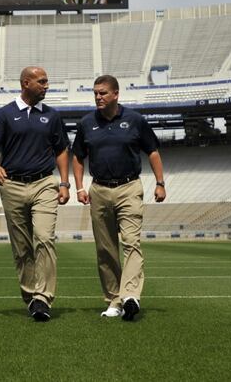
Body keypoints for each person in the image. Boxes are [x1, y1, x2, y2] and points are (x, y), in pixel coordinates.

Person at [72, 75, 166, 321]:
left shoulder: (135, 120)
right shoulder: (86, 123)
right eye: (95, 93)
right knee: (106, 250)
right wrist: (79, 188)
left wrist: (160, 183)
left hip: (129, 187)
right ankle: (114, 300)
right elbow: (77, 156)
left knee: (131, 242)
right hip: (99, 190)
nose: (98, 97)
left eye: (102, 93)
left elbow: (152, 152)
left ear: (115, 94)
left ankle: (131, 295)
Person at [0, 66, 70, 322]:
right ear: (25, 83)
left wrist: (64, 183)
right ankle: (31, 297)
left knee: (44, 238)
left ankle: (43, 298)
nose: (46, 85)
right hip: (13, 186)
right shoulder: (5, 114)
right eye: (41, 81)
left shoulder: (52, 117)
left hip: (44, 183)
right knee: (22, 248)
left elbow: (62, 150)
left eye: (47, 81)